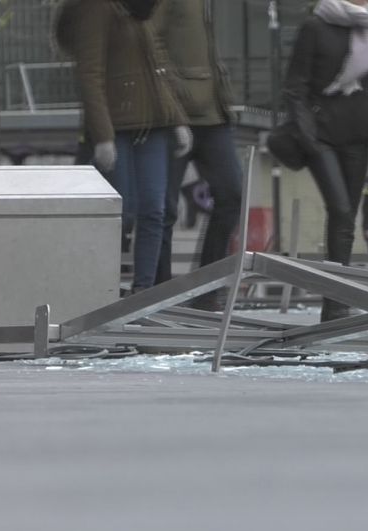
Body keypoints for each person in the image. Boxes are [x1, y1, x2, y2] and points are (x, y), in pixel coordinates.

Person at [54, 0, 192, 295]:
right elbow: (89, 73)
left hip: (152, 125)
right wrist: (103, 136)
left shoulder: (144, 8)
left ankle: (142, 293)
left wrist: (177, 118)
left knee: (155, 211)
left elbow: (158, 66)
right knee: (122, 212)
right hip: (117, 127)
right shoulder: (97, 7)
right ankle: (101, 290)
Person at [282, 0, 368, 321]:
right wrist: (307, 134)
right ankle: (336, 301)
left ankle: (336, 303)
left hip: (358, 134)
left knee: (347, 217)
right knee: (338, 208)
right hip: (321, 134)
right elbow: (295, 85)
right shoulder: (315, 27)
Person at [155, 0, 244, 304]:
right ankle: (158, 292)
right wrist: (175, 89)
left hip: (213, 114)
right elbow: (150, 40)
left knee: (232, 196)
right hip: (173, 115)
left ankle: (207, 288)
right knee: (163, 209)